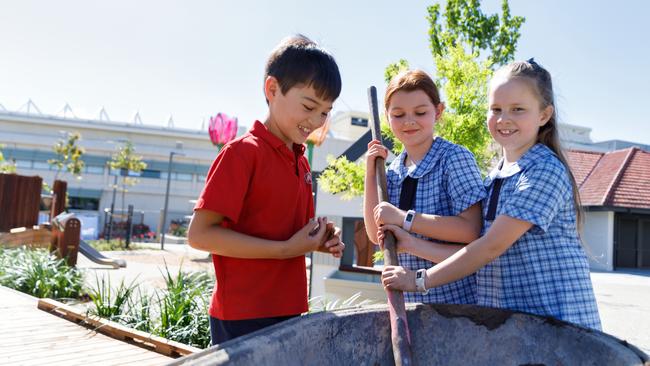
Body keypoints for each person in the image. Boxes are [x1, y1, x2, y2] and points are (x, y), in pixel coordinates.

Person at [380, 59, 601, 330]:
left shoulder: (544, 170)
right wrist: (412, 245)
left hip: (558, 325)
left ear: (544, 115)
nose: (504, 119)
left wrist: (418, 280)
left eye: (517, 109)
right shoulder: (496, 175)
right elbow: (473, 251)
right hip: (513, 325)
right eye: (496, 109)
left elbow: (490, 247)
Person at [187, 34, 346, 345]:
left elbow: (282, 232)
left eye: (325, 112)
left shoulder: (300, 162)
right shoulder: (241, 153)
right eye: (309, 106)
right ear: (272, 89)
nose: (315, 120)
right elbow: (200, 235)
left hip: (289, 308)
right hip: (242, 315)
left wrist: (315, 241)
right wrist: (285, 249)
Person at [364, 69, 486, 305]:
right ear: (387, 117)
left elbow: (471, 230)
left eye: (420, 112)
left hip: (458, 305)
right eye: (398, 114)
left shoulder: (453, 158)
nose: (409, 121)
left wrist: (404, 219)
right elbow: (373, 233)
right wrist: (370, 173)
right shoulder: (392, 171)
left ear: (438, 112)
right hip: (409, 302)